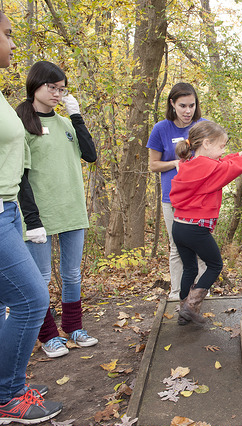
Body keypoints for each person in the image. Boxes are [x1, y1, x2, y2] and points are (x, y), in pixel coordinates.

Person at [0, 10, 63, 423]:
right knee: (31, 299)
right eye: (6, 34)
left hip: (7, 211)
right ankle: (9, 395)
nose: (11, 42)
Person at [15, 60, 98, 359]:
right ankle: (48, 335)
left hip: (72, 209)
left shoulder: (64, 123)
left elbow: (90, 155)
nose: (57, 93)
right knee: (41, 276)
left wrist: (75, 116)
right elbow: (20, 175)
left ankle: (73, 328)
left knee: (72, 273)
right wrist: (31, 218)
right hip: (39, 215)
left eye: (61, 89)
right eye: (52, 87)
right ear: (35, 85)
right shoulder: (21, 124)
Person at [169, 121, 242, 324]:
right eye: (221, 146)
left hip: (179, 226)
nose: (223, 150)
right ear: (207, 143)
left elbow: (224, 162)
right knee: (215, 264)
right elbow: (230, 168)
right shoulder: (209, 167)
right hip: (196, 229)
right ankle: (191, 307)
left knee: (189, 268)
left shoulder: (190, 163)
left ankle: (183, 310)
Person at [147, 82, 207, 301]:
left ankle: (201, 295)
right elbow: (153, 165)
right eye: (182, 105)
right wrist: (175, 163)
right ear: (172, 104)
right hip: (172, 199)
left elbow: (216, 156)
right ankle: (176, 295)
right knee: (177, 247)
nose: (187, 111)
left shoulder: (203, 126)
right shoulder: (161, 129)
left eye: (191, 105)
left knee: (202, 247)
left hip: (200, 198)